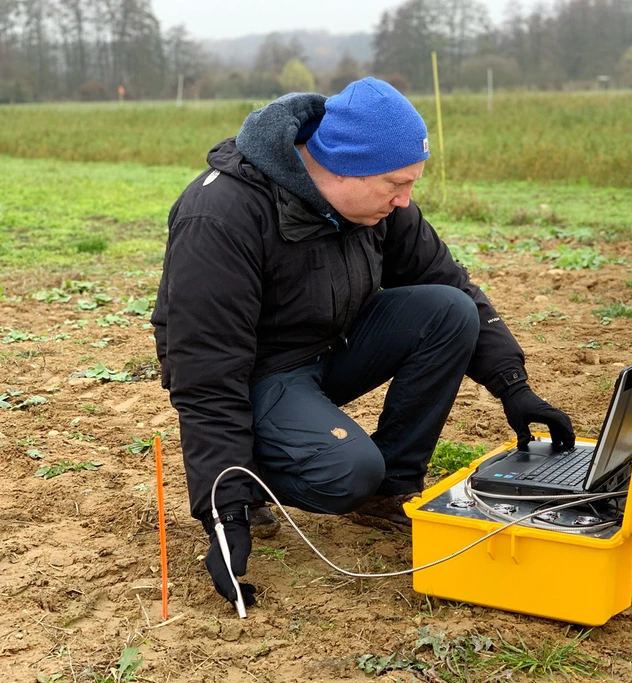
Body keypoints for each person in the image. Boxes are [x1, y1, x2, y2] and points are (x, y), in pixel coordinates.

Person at [152, 77, 575, 609]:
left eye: (413, 183)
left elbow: (447, 279)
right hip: (257, 372)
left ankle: (389, 488)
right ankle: (257, 475)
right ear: (340, 166)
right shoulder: (221, 215)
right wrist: (225, 508)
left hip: (331, 343)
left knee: (448, 310)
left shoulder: (378, 207)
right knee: (346, 470)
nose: (406, 200)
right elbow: (207, 373)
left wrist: (513, 385)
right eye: (396, 184)